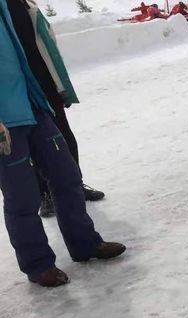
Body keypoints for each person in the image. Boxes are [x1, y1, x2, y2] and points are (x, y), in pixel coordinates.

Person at [1, 0, 125, 287]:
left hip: (33, 103)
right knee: (22, 196)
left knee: (67, 176)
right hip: (6, 121)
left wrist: (51, 92)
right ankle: (38, 265)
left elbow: (31, 50)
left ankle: (85, 244)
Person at [6, 0, 105, 219]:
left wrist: (60, 85)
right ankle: (46, 195)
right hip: (19, 89)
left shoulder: (25, 3)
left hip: (44, 81)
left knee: (64, 138)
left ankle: (75, 186)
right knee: (34, 145)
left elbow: (45, 45)